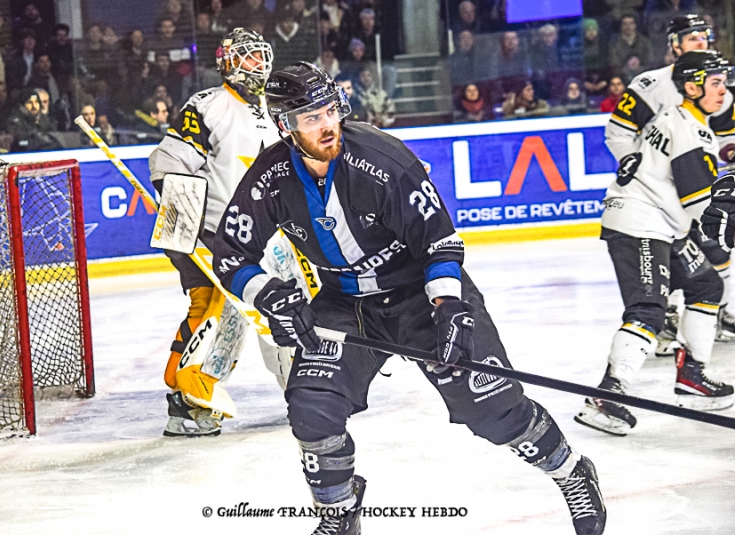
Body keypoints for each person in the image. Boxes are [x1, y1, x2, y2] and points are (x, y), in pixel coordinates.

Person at [212, 61, 607, 535]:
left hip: (418, 294)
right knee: (312, 407)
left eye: (329, 111)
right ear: (284, 124)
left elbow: (439, 242)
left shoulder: (382, 159)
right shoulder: (270, 175)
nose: (327, 125)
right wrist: (270, 294)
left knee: (491, 408)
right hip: (342, 302)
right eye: (311, 118)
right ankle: (339, 513)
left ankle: (571, 473)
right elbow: (232, 255)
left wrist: (450, 306)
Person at [576, 50, 735, 437]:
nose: (723, 90)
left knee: (706, 284)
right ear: (692, 86)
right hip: (640, 223)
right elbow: (700, 203)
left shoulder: (685, 120)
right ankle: (608, 396)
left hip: (660, 222)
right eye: (715, 83)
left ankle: (692, 376)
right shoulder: (689, 130)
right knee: (648, 309)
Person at [148, 29, 292, 437]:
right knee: (219, 311)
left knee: (282, 309)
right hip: (215, 233)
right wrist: (182, 231)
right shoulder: (208, 106)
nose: (258, 65)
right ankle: (189, 400)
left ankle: (304, 390)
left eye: (262, 57)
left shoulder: (274, 107)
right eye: (248, 58)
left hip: (269, 236)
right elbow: (170, 165)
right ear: (228, 62)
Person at [605, 14, 735, 348]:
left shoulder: (719, 87)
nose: (700, 43)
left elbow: (724, 139)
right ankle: (665, 318)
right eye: (692, 38)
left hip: (694, 186)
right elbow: (618, 133)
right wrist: (634, 161)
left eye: (704, 37)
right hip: (658, 196)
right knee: (665, 258)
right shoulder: (650, 85)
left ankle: (723, 313)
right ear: (674, 45)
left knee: (715, 250)